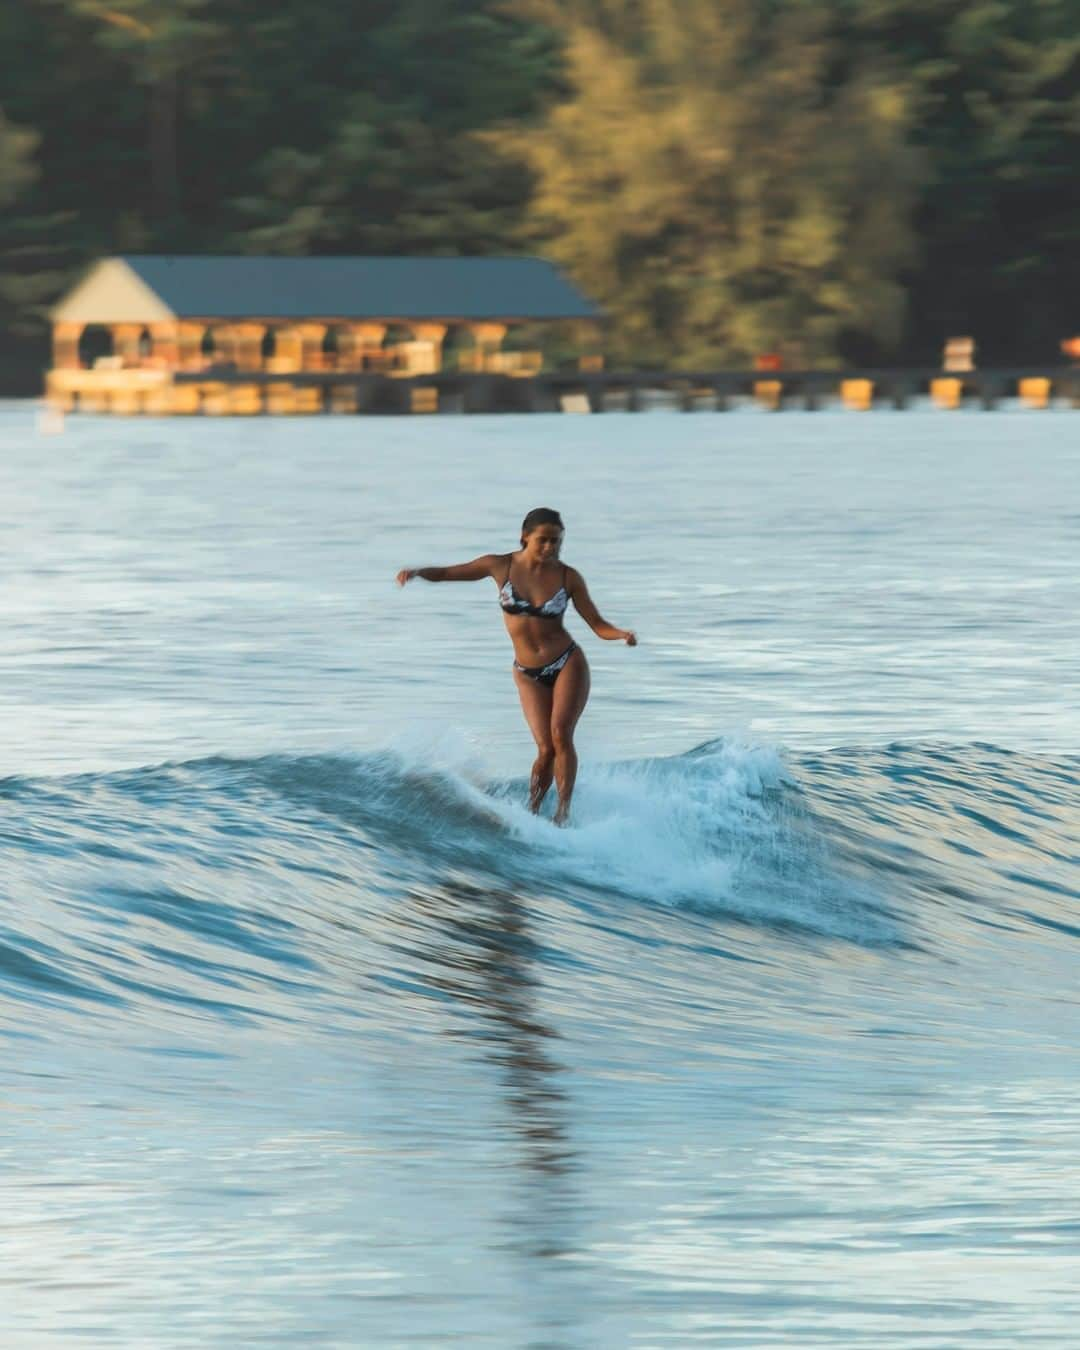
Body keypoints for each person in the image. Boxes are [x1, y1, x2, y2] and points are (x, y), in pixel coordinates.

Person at [396, 508, 636, 825]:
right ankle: (534, 812)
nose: (551, 547)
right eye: (544, 540)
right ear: (525, 537)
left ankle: (562, 813)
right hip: (527, 672)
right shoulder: (500, 565)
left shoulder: (568, 577)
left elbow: (596, 624)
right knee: (545, 748)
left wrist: (620, 635)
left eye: (557, 542)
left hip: (567, 662)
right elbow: (449, 573)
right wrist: (416, 573)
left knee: (561, 735)